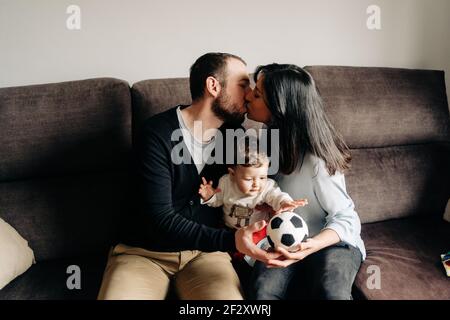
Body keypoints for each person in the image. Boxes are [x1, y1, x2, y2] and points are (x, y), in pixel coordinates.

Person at [97, 53, 279, 300]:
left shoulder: (234, 136)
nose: (248, 94)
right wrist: (232, 239)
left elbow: (264, 172)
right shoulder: (157, 135)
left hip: (205, 256)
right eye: (242, 85)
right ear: (213, 86)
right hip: (142, 255)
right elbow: (161, 218)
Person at [244, 63, 366, 300]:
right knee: (262, 293)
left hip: (330, 240)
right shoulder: (265, 143)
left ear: (280, 108)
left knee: (331, 293)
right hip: (282, 238)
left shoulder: (317, 160)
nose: (248, 95)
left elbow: (346, 218)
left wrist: (312, 245)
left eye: (257, 94)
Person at [198, 146, 307, 265]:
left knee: (251, 260)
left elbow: (276, 196)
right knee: (227, 259)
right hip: (230, 231)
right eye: (249, 179)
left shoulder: (266, 187)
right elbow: (217, 201)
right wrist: (209, 196)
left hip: (258, 233)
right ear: (232, 174)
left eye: (262, 177)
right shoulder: (225, 183)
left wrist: (284, 202)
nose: (257, 184)